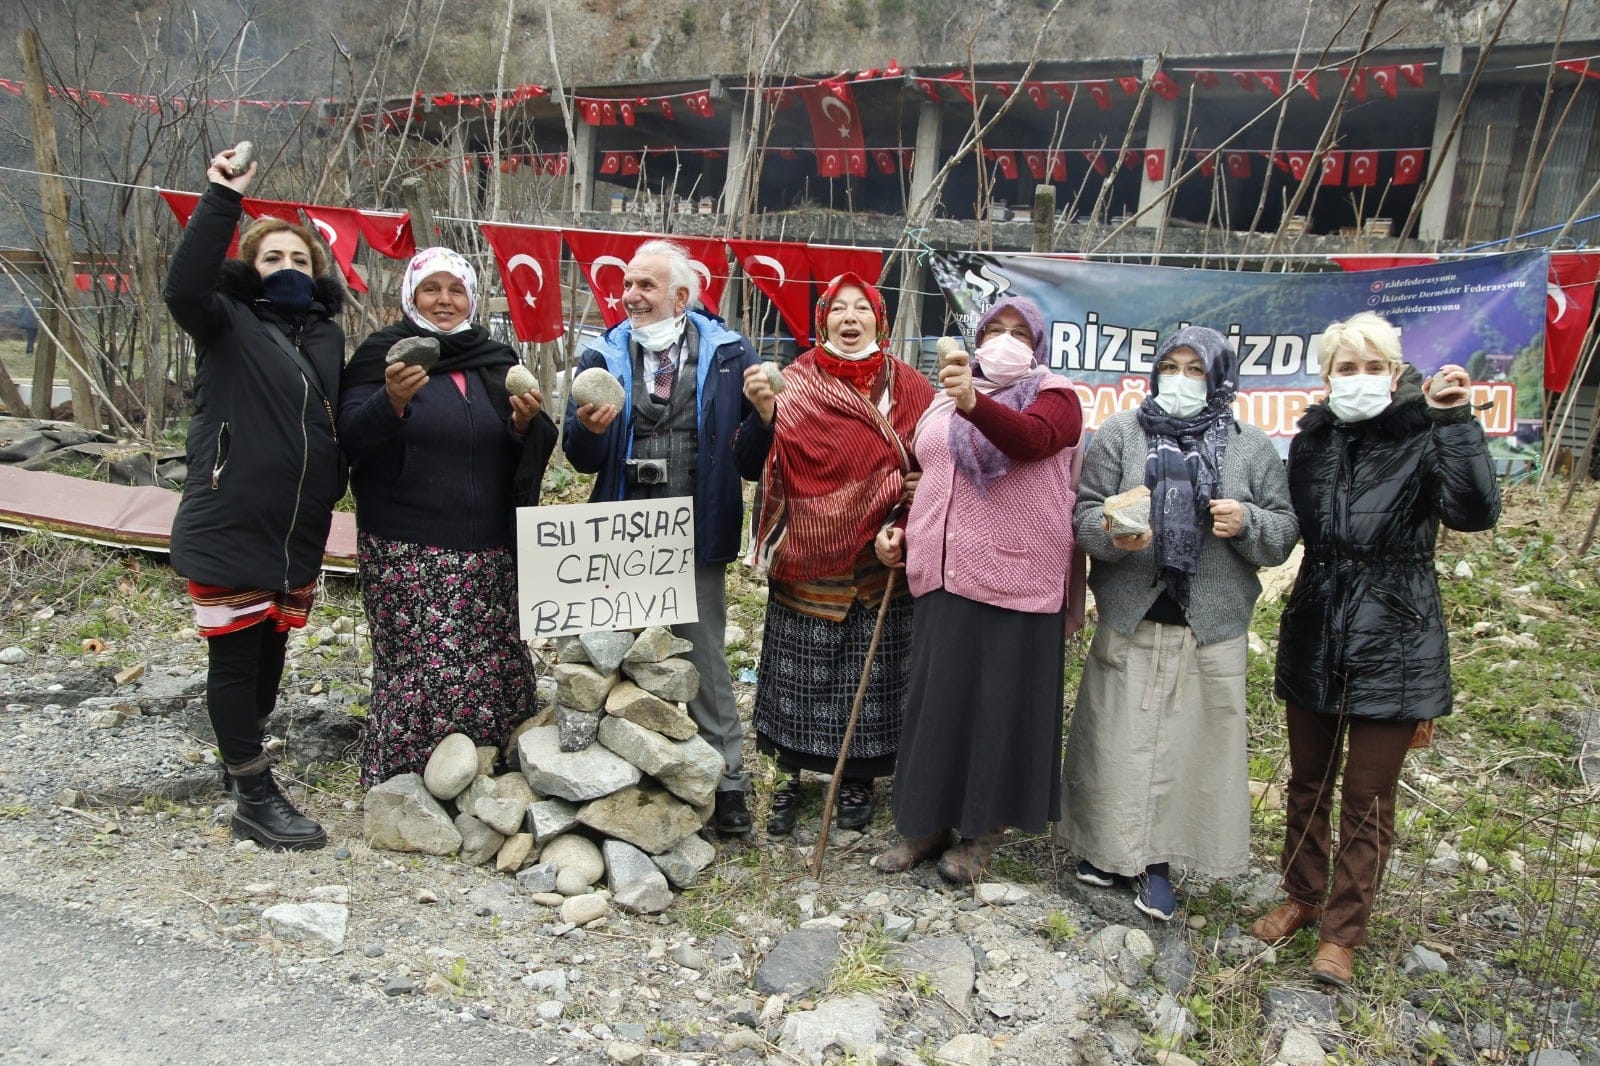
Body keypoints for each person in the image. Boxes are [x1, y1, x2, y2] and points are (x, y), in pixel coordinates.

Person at [1252, 312, 1499, 987]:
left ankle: (1343, 931)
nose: (1358, 379)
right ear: (1327, 377)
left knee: (1368, 797)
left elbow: (1474, 512)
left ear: (1394, 376)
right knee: (1308, 783)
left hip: (1396, 631)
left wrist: (1456, 425)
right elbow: (1288, 529)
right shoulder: (1312, 444)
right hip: (1317, 623)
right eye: (1345, 368)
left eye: (1372, 367)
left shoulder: (1425, 433)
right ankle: (1301, 895)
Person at [1055, 326, 1299, 920]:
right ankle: (1106, 852)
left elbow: (1285, 530)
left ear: (1219, 379)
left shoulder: (1250, 446)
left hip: (1209, 622)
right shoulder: (1119, 434)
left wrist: (1247, 524)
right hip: (1133, 611)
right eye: (1173, 366)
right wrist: (1112, 533)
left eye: (1197, 370)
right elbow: (1084, 513)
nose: (1183, 380)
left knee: (1188, 748)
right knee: (1115, 738)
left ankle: (1159, 863)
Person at [163, 146, 345, 851]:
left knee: (269, 657)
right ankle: (252, 791)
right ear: (248, 266)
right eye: (273, 259)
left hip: (297, 528)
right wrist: (221, 198)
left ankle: (242, 756)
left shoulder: (325, 336)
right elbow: (183, 287)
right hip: (231, 514)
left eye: (300, 259)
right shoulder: (224, 319)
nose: (288, 269)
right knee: (236, 659)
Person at [870, 296, 1084, 882]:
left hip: (1016, 574)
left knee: (998, 706)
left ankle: (983, 833)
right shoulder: (943, 400)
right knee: (940, 700)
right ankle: (928, 823)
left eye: (1020, 332)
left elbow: (1033, 441)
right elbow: (931, 476)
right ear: (977, 335)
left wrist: (973, 404)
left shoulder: (1057, 397)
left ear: (1038, 344)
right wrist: (900, 530)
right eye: (996, 329)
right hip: (944, 572)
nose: (1007, 340)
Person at [340, 247, 557, 786]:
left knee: (490, 659)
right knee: (421, 666)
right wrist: (389, 401)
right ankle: (406, 784)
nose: (444, 300)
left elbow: (532, 443)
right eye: (431, 289)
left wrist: (525, 426)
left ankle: (487, 779)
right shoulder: (383, 356)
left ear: (472, 298)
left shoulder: (495, 358)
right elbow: (349, 436)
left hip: (489, 542)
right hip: (407, 544)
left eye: (455, 289)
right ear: (410, 295)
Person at [563, 239, 760, 835]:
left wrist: (769, 419)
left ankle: (726, 783)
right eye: (627, 285)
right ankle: (598, 781)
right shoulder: (601, 353)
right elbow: (578, 455)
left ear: (681, 295)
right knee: (606, 654)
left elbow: (750, 458)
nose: (631, 296)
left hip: (696, 528)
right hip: (621, 525)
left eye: (646, 286)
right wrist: (592, 431)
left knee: (703, 660)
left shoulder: (729, 354)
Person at [737, 272, 935, 837]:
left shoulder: (913, 390)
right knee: (799, 676)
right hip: (807, 558)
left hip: (881, 561)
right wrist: (764, 417)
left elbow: (929, 470)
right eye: (838, 310)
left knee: (870, 682)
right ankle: (787, 778)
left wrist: (904, 518)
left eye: (862, 309)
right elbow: (748, 465)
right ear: (822, 320)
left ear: (881, 320)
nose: (851, 319)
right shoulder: (792, 382)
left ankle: (857, 778)